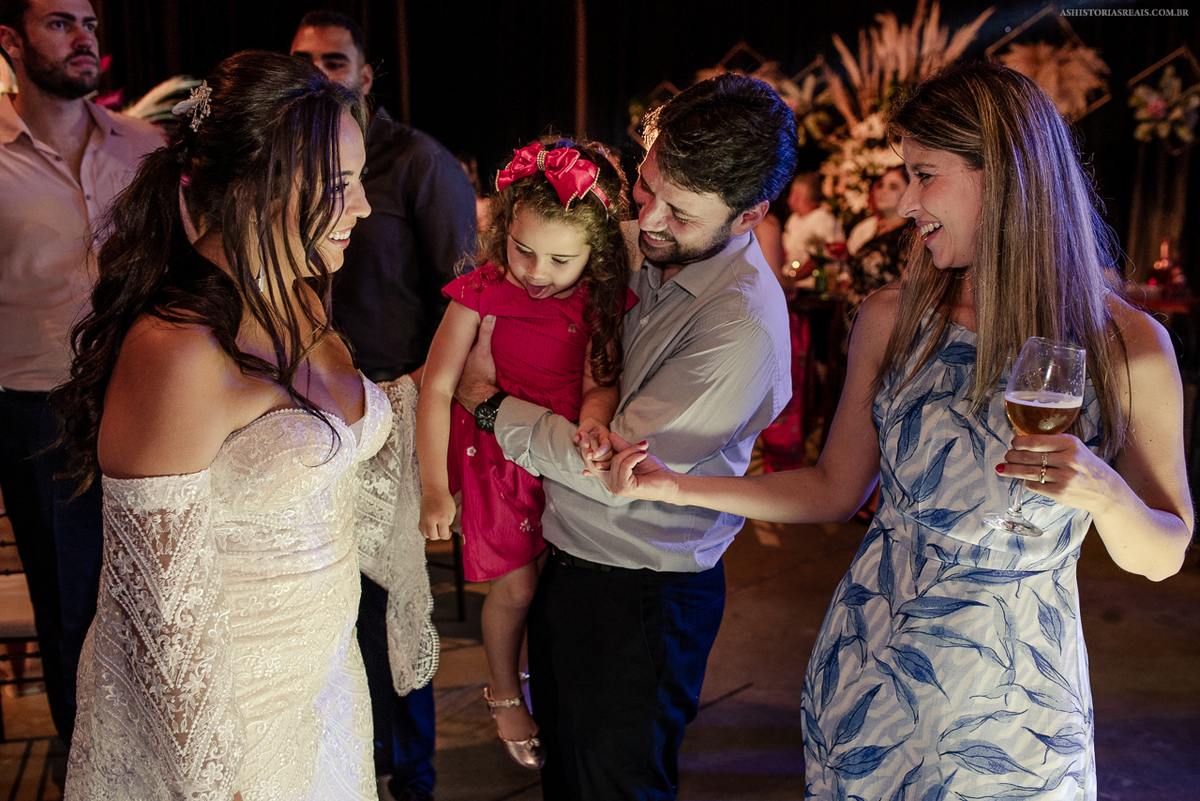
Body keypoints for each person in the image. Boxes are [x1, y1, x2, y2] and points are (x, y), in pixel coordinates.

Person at [597, 62, 1193, 800]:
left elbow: (1162, 555)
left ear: (1005, 176)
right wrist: (677, 486)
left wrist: (1104, 492)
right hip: (870, 667)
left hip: (1017, 703)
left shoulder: (1128, 348)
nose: (905, 201)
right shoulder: (893, 317)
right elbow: (834, 488)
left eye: (923, 175)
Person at [51, 50, 389, 800]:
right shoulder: (176, 352)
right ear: (254, 186)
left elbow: (328, 454)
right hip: (233, 731)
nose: (364, 207)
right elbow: (161, 625)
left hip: (326, 687)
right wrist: (216, 784)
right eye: (340, 187)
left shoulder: (298, 292)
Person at [453, 74, 795, 799]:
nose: (648, 221)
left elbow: (611, 471)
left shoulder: (741, 330)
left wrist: (486, 405)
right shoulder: (641, 241)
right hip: (571, 561)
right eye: (646, 187)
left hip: (640, 599)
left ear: (750, 214)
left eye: (681, 211)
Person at [290, 12, 477, 800]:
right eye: (303, 60)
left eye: (334, 61)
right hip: (299, 416)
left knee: (388, 601)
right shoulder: (288, 161)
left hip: (390, 414)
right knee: (326, 601)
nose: (318, 73)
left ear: (366, 75)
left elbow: (467, 300)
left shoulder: (419, 163)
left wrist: (422, 409)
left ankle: (413, 773)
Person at [417, 138, 635, 772]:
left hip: (559, 453)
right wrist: (435, 487)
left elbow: (600, 382)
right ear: (501, 232)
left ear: (595, 253)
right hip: (497, 456)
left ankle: (547, 684)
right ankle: (504, 693)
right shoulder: (480, 291)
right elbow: (438, 387)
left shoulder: (599, 300)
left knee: (554, 584)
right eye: (523, 250)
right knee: (516, 586)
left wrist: (593, 420)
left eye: (561, 259)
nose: (538, 272)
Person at [0, 0, 162, 745]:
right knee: (72, 608)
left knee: (160, 594)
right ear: (11, 40)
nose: (83, 37)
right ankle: (90, 769)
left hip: (150, 399)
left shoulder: (144, 146)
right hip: (38, 412)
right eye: (59, 23)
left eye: (90, 23)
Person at [842, 165, 910, 314]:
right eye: (881, 185)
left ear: (909, 192)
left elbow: (909, 288)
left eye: (893, 187)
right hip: (857, 317)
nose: (882, 191)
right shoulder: (878, 230)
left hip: (884, 318)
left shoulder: (908, 237)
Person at [779, 171, 842, 291]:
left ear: (798, 196)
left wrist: (790, 279)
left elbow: (818, 258)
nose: (789, 199)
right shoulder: (794, 219)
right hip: (790, 285)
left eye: (792, 194)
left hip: (810, 288)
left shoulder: (823, 219)